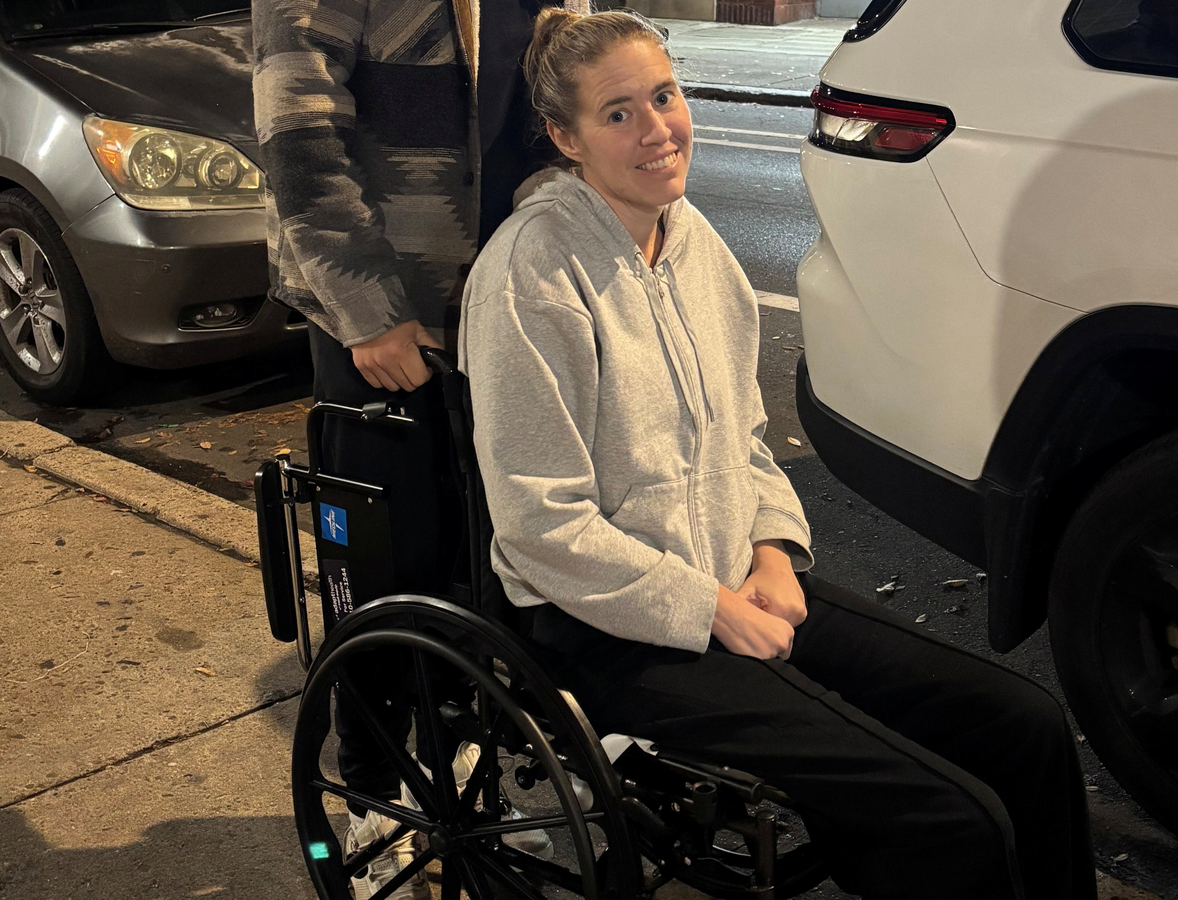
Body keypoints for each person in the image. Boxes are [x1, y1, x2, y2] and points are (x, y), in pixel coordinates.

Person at [458, 9, 1098, 899]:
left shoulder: (697, 246)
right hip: (609, 626)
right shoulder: (532, 276)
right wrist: (711, 608)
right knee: (947, 817)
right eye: (618, 114)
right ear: (566, 139)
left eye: (665, 97)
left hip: (737, 577)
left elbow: (745, 442)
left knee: (1024, 723)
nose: (657, 130)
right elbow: (541, 526)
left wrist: (770, 552)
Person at [250, 0, 570, 895]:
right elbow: (299, 140)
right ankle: (372, 796)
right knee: (382, 570)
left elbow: (556, 111)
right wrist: (367, 311)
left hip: (504, 308)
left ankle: (457, 778)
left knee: (485, 560)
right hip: (384, 321)